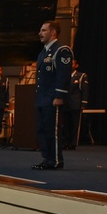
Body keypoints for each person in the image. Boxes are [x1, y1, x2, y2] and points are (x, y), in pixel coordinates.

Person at [33, 20, 73, 170]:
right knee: (42, 130)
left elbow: (63, 76)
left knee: (52, 130)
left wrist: (59, 96)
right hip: (42, 98)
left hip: (53, 98)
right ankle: (47, 158)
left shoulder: (61, 50)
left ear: (53, 32)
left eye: (43, 30)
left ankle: (56, 160)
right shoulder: (43, 52)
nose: (40, 33)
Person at [64, 60, 89, 150]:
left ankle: (72, 143)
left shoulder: (81, 76)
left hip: (75, 104)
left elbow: (85, 91)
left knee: (74, 124)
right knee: (65, 124)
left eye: (72, 64)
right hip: (65, 104)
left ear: (76, 65)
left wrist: (83, 103)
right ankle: (65, 142)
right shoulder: (64, 76)